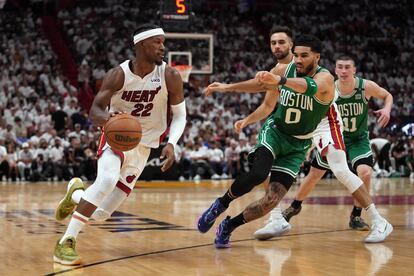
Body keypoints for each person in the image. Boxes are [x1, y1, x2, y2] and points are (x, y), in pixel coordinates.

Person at [53, 24, 186, 265]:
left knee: (102, 214)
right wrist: (111, 122)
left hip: (144, 145)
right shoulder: (118, 74)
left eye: (163, 41)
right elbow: (94, 110)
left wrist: (172, 143)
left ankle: (76, 194)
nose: (162, 46)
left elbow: (179, 115)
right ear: (140, 45)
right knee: (105, 180)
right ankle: (66, 243)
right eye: (156, 41)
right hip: (117, 137)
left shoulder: (170, 76)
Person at [198, 34, 336, 248]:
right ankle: (220, 204)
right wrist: (227, 87)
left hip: (298, 145)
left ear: (317, 57)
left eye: (304, 56)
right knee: (259, 173)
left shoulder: (325, 78)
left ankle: (229, 225)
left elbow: (308, 87)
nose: (298, 60)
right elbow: (260, 85)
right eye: (296, 55)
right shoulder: (283, 69)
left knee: (271, 201)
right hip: (275, 132)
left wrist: (279, 81)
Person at [271, 55, 393, 235]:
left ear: (354, 70)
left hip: (357, 139)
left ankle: (357, 214)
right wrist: (310, 146)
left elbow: (387, 95)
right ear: (335, 70)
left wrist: (387, 109)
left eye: (347, 67)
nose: (343, 71)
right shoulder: (328, 87)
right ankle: (295, 206)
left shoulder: (365, 86)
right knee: (314, 174)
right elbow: (316, 119)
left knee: (365, 172)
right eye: (340, 67)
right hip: (334, 136)